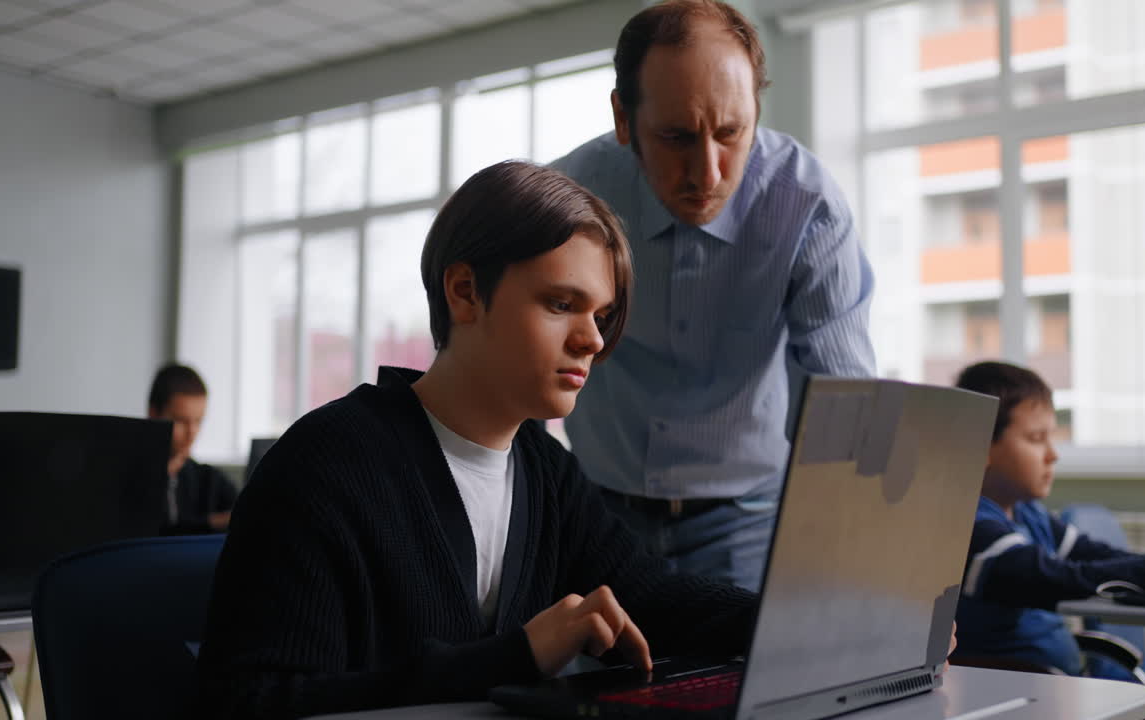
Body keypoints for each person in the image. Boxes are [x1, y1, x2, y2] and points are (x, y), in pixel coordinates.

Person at [195, 161, 759, 720]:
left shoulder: (547, 471)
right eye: (561, 304)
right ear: (465, 293)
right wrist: (516, 657)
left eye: (601, 314)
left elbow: (654, 597)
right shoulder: (322, 465)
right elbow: (250, 702)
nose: (592, 339)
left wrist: (799, 621)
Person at [552, 0, 875, 591]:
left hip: (747, 518)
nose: (707, 173)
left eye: (731, 133)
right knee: (589, 684)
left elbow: (846, 402)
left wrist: (878, 580)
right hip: (597, 514)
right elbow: (514, 368)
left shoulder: (805, 202)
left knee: (739, 683)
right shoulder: (570, 199)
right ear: (624, 119)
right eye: (676, 137)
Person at [952, 360, 1145, 680]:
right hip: (1025, 690)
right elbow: (1064, 578)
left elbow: (1113, 561)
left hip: (1063, 684)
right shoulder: (969, 525)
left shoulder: (1029, 515)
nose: (1053, 454)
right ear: (979, 445)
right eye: (1036, 438)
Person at [147, 363, 237, 534]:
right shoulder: (127, 480)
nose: (192, 433)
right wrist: (211, 523)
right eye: (181, 421)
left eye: (198, 421)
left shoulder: (210, 480)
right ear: (153, 414)